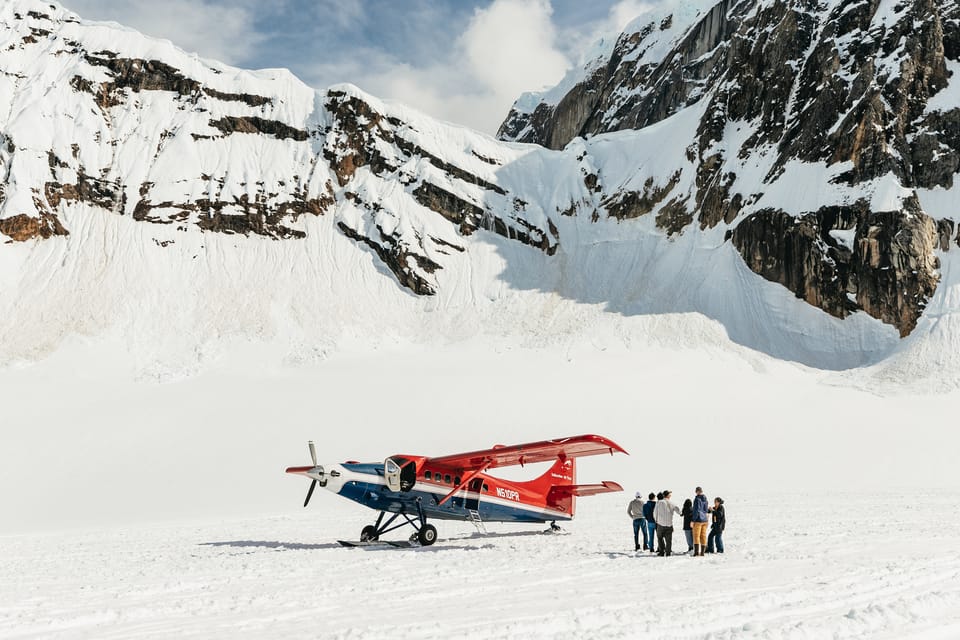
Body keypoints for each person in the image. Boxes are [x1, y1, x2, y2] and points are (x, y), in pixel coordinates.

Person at [653, 489, 681, 556]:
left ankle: (661, 552)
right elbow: (679, 511)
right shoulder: (672, 503)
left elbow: (654, 513)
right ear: (668, 495)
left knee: (660, 538)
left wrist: (656, 520)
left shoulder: (659, 502)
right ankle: (668, 553)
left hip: (660, 524)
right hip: (669, 524)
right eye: (669, 494)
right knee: (668, 540)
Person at [691, 486, 710, 557]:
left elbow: (696, 511)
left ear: (697, 491)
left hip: (698, 520)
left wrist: (693, 520)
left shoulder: (697, 499)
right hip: (705, 520)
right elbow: (706, 510)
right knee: (703, 536)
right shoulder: (705, 499)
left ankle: (696, 553)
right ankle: (702, 552)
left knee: (696, 536)